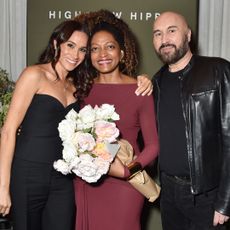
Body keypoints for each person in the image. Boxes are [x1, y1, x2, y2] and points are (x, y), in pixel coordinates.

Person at [0, 17, 152, 230]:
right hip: (28, 174)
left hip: (63, 179)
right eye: (70, 45)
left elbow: (102, 132)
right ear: (56, 44)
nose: (75, 54)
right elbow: (8, 131)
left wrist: (144, 79)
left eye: (82, 49)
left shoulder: (78, 86)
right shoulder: (34, 75)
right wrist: (2, 187)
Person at [74, 9, 159, 230]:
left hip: (125, 185)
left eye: (110, 46)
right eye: (95, 49)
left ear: (122, 52)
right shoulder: (82, 89)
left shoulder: (139, 90)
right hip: (87, 181)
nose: (102, 54)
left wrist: (128, 169)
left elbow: (153, 145)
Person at [152, 11, 230, 230]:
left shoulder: (219, 70)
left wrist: (225, 202)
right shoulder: (155, 82)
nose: (164, 39)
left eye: (171, 31)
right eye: (158, 34)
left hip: (206, 196)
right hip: (168, 192)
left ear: (188, 35)